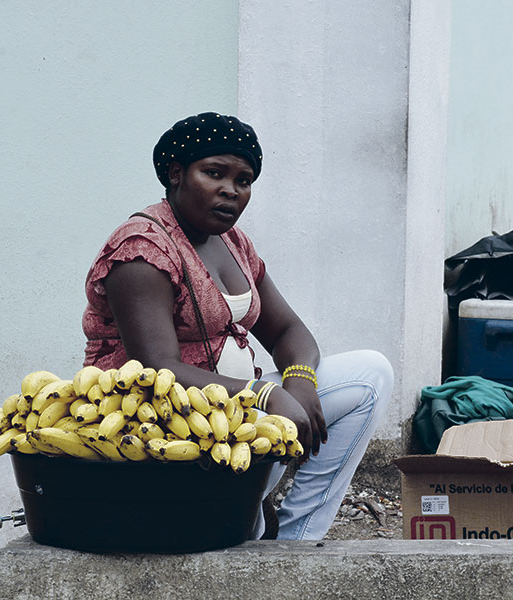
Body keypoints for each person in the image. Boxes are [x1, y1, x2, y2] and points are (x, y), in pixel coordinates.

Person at [81, 112, 392, 540]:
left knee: (371, 374)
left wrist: (300, 381)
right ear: (176, 174)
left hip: (238, 411)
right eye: (214, 173)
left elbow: (288, 333)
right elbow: (157, 367)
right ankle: (248, 513)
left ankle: (297, 538)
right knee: (228, 527)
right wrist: (265, 394)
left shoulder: (233, 242)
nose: (230, 190)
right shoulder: (141, 249)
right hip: (161, 425)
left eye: (244, 180)